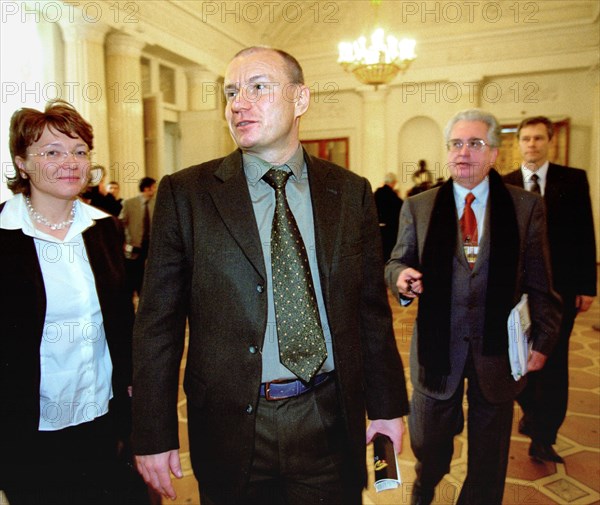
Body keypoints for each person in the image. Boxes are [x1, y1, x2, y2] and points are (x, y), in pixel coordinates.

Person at [132, 46, 409, 505]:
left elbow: (370, 314)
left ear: (300, 100)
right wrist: (152, 432)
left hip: (328, 415)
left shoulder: (349, 192)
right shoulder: (187, 195)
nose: (239, 103)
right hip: (232, 424)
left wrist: (386, 408)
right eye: (231, 92)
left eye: (258, 87)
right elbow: (156, 326)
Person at [385, 109, 561, 505]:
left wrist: (544, 342)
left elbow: (539, 280)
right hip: (437, 349)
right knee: (429, 442)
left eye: (475, 144)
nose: (463, 153)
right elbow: (396, 261)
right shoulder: (419, 206)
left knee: (489, 456)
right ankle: (426, 483)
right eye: (456, 144)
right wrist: (399, 277)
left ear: (495, 152)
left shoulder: (524, 208)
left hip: (498, 352)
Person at [0, 100, 138, 504]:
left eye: (79, 152)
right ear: (22, 162)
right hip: (29, 431)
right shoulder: (4, 234)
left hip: (103, 420)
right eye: (52, 152)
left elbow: (121, 321)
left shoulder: (103, 229)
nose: (70, 163)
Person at [503, 116, 597, 463]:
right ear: (519, 143)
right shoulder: (505, 183)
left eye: (538, 138)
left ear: (550, 141)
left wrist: (588, 285)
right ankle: (529, 409)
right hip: (518, 295)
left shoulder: (572, 180)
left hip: (561, 291)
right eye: (526, 138)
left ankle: (544, 436)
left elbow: (584, 233)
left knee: (554, 361)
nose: (531, 144)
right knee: (520, 359)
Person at [119, 176, 157, 298]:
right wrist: (123, 242)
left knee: (150, 277)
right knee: (134, 276)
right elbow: (121, 223)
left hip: (152, 247)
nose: (155, 190)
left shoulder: (158, 203)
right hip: (134, 246)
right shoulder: (129, 203)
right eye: (154, 187)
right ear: (147, 188)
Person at [374, 172, 403, 261]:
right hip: (390, 230)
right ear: (393, 182)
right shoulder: (393, 196)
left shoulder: (376, 193)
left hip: (377, 228)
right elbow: (401, 209)